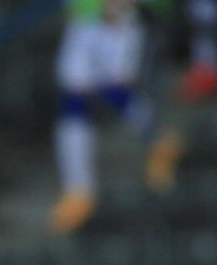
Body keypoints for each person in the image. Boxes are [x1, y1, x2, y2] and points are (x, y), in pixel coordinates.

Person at [50, 0, 182, 233]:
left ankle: (159, 140)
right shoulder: (83, 18)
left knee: (116, 87)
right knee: (74, 98)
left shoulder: (133, 24)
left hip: (126, 26)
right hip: (90, 23)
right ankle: (79, 191)